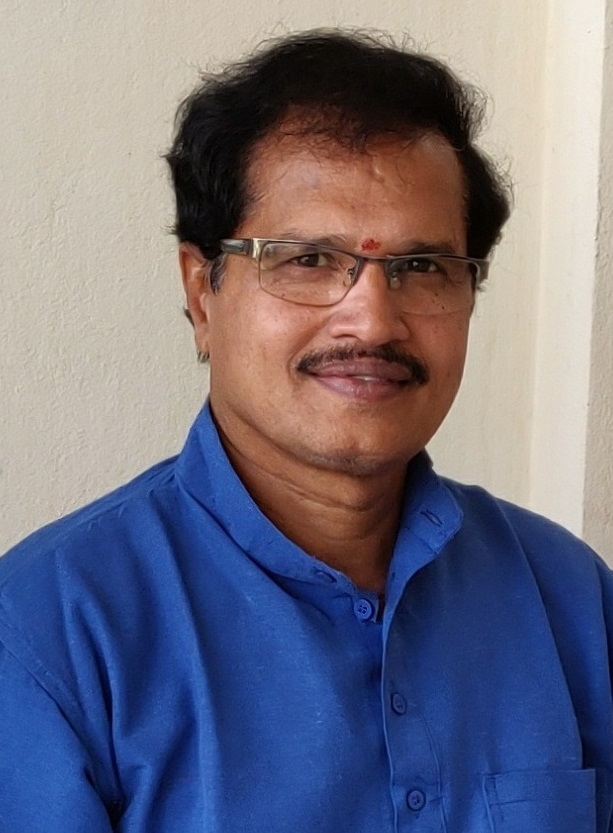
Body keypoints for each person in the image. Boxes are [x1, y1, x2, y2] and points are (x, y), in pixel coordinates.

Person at [0, 28, 612, 833]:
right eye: (307, 260)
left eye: (421, 267)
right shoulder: (49, 635)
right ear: (201, 291)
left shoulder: (569, 597)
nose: (372, 319)